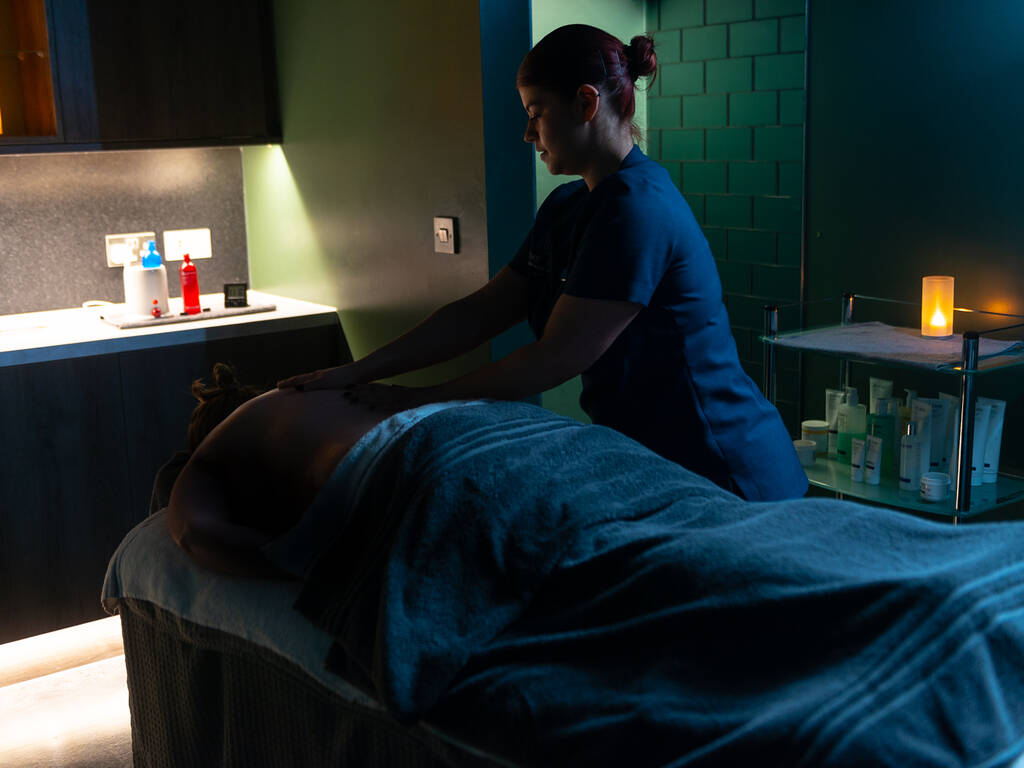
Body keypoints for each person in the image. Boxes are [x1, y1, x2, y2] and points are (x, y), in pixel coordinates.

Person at [279, 24, 806, 502]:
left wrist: (414, 401)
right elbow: (480, 314)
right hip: (656, 466)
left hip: (726, 470)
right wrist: (355, 371)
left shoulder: (638, 208)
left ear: (585, 103)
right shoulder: (568, 206)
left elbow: (556, 356)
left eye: (536, 114)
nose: (528, 135)